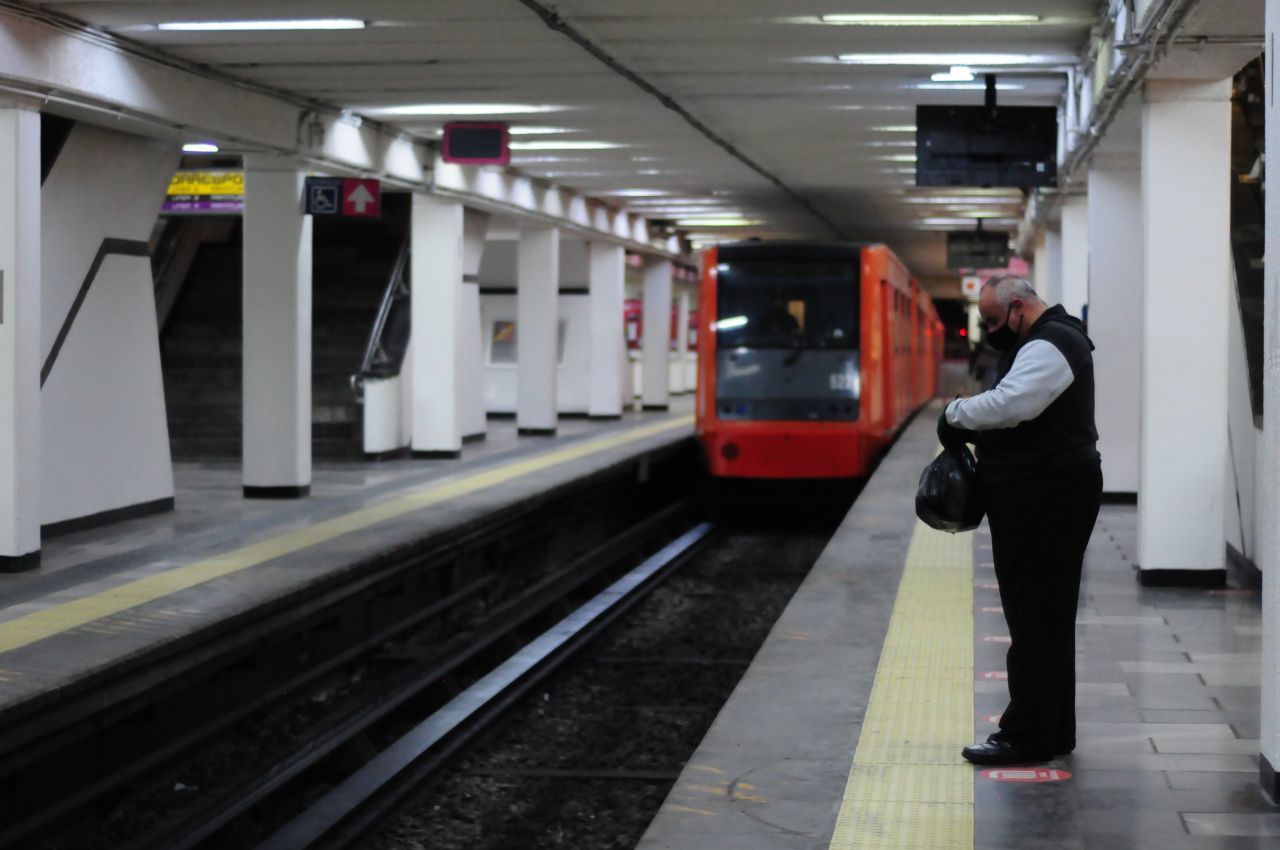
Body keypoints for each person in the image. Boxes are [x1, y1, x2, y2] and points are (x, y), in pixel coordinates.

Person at [937, 275, 1102, 766]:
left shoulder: (1053, 342)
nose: (989, 330)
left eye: (991, 320)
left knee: (1033, 617)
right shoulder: (1047, 339)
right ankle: (1051, 730)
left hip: (1047, 497)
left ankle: (1025, 735)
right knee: (1045, 617)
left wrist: (955, 413)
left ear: (1018, 306)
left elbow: (1012, 405)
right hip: (1044, 494)